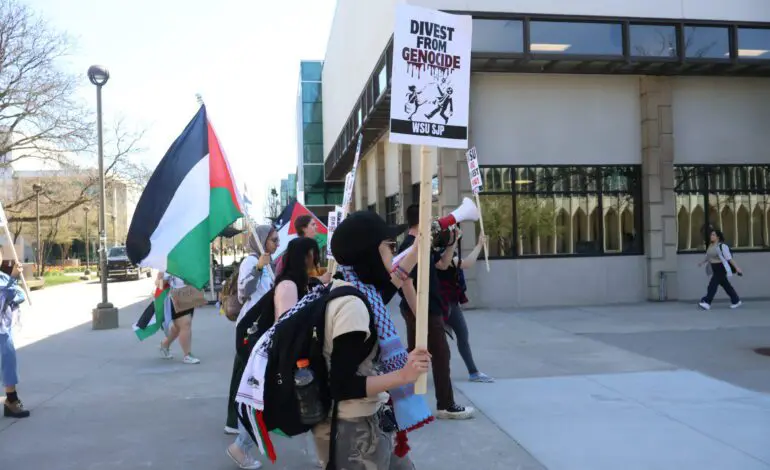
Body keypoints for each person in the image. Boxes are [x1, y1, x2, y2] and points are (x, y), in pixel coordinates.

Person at [312, 211, 433, 469]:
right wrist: (404, 375)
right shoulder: (353, 307)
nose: (394, 252)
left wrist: (417, 250)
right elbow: (343, 385)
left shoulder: (356, 288)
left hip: (369, 417)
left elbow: (395, 278)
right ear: (371, 252)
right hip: (353, 430)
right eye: (390, 246)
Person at [226, 236, 319, 470]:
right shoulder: (287, 284)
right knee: (268, 402)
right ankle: (240, 446)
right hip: (277, 354)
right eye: (313, 254)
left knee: (275, 402)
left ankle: (323, 452)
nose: (315, 259)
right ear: (306, 256)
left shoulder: (295, 280)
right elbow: (286, 325)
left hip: (279, 353)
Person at [398, 204, 474, 420]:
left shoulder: (421, 245)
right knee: (440, 355)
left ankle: (404, 401)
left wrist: (452, 243)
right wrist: (420, 314)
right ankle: (446, 405)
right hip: (424, 310)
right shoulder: (411, 246)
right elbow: (406, 283)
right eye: (429, 217)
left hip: (424, 309)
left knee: (415, 354)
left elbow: (443, 265)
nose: (433, 222)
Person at [225, 226, 279, 435]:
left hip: (262, 324)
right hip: (249, 325)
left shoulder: (269, 263)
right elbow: (243, 292)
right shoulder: (251, 261)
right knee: (242, 373)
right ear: (262, 240)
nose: (277, 243)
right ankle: (233, 420)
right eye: (273, 240)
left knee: (252, 371)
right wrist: (257, 267)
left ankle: (251, 416)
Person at [436, 229, 493, 383]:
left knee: (434, 341)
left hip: (443, 302)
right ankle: (473, 372)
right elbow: (467, 263)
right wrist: (479, 245)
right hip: (447, 303)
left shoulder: (436, 254)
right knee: (461, 336)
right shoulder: (446, 257)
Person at [0, 254, 28, 419]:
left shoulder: (3, 276)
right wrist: (12, 279)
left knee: (9, 358)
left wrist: (12, 280)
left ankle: (11, 399)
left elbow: (19, 295)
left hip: (3, 326)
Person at [158, 272, 200, 364]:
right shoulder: (168, 263)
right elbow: (160, 286)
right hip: (176, 296)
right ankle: (187, 355)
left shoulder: (188, 262)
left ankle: (165, 344)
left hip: (189, 294)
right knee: (186, 324)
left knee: (178, 328)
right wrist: (160, 279)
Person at [698, 229, 742, 310]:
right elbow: (708, 256)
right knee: (726, 286)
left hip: (721, 267)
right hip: (714, 268)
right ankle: (736, 300)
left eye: (713, 235)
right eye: (711, 235)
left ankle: (707, 302)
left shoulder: (722, 246)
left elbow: (729, 259)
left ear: (718, 237)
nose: (711, 236)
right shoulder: (710, 246)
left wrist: (737, 268)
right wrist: (702, 262)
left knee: (712, 285)